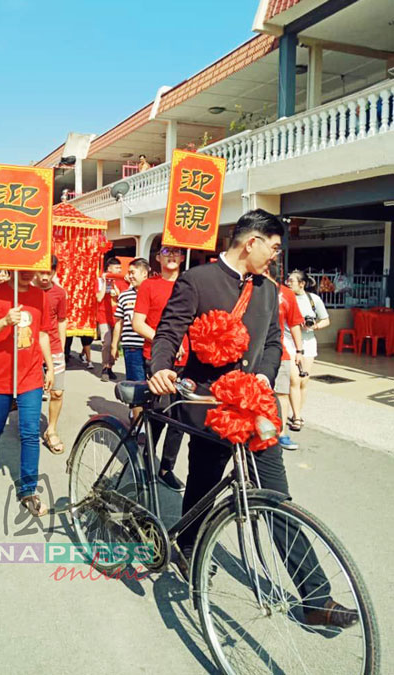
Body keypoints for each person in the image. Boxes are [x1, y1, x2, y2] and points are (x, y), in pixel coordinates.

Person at [148, 210, 357, 628]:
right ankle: (189, 545)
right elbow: (170, 331)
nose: (275, 259)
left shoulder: (269, 291)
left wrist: (261, 373)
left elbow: (275, 342)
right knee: (204, 485)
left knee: (276, 499)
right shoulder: (198, 280)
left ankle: (315, 596)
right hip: (208, 405)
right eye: (274, 248)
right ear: (251, 242)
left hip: (256, 408)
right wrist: (160, 367)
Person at [0, 269, 54, 516]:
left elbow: (42, 333)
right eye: (23, 269)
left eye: (34, 268)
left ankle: (29, 489)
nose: (30, 274)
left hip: (30, 375)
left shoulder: (41, 296)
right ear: (11, 268)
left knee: (30, 432)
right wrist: (5, 321)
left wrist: (49, 366)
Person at [132, 243, 187, 492]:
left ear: (183, 257)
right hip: (157, 358)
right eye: (167, 252)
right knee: (161, 413)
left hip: (188, 362)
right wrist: (166, 342)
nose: (172, 255)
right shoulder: (149, 286)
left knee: (181, 419)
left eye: (177, 252)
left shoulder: (190, 285)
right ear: (158, 258)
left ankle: (166, 468)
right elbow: (138, 323)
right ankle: (146, 460)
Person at [285, 270, 330, 432]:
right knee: (294, 380)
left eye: (291, 281)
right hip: (289, 342)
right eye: (287, 280)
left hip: (309, 342)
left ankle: (297, 412)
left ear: (302, 284)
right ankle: (296, 417)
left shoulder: (314, 299)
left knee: (304, 381)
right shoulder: (284, 298)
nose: (288, 283)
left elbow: (326, 319)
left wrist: (315, 326)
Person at [266, 262, 304, 451]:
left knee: (282, 393)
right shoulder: (248, 290)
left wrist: (299, 350)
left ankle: (281, 433)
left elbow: (295, 323)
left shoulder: (286, 294)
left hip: (279, 353)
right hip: (253, 353)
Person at [35, 255, 67, 455]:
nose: (45, 277)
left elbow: (62, 320)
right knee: (31, 393)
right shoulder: (26, 290)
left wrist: (61, 348)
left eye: (50, 272)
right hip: (30, 349)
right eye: (42, 272)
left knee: (57, 392)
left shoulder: (60, 293)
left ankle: (51, 429)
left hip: (54, 348)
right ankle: (28, 428)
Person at [111, 258, 150, 418]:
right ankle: (138, 424)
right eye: (129, 273)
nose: (129, 276)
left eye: (132, 272)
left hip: (151, 347)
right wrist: (114, 346)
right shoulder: (124, 296)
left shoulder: (153, 293)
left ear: (144, 273)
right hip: (132, 348)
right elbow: (119, 323)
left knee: (151, 386)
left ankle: (144, 417)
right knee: (135, 385)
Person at [96, 257, 128, 382]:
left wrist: (118, 292)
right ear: (109, 268)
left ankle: (110, 366)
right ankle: (104, 367)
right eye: (116, 268)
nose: (119, 270)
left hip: (117, 317)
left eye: (120, 268)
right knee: (107, 342)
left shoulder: (122, 281)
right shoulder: (99, 281)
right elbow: (99, 298)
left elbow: (124, 298)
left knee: (115, 344)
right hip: (103, 316)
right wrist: (105, 283)